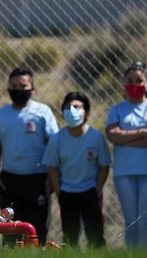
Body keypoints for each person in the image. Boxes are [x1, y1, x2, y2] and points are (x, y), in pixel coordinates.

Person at [0, 67, 59, 246]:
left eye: (23, 85)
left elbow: (53, 146)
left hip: (38, 181)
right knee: (10, 232)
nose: (18, 89)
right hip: (9, 181)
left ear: (33, 89)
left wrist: (52, 178)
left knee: (36, 232)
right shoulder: (0, 115)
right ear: (7, 89)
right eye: (13, 86)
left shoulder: (43, 112)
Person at [105, 61, 147, 248]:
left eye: (139, 80)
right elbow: (112, 134)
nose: (134, 85)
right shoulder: (117, 109)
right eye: (129, 81)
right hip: (124, 172)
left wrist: (125, 137)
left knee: (145, 222)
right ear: (123, 83)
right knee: (131, 222)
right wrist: (141, 132)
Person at [42, 92, 110, 248]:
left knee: (95, 234)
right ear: (63, 112)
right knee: (70, 235)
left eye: (77, 107)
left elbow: (104, 166)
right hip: (67, 192)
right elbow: (53, 167)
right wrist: (60, 192)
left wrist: (96, 190)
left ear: (87, 113)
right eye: (68, 107)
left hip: (90, 191)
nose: (72, 110)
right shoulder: (57, 139)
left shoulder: (96, 137)